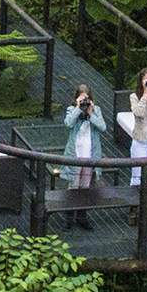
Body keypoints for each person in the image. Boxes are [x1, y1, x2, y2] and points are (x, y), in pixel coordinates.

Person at [61, 85, 106, 230]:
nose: (85, 101)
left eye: (87, 98)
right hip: (75, 154)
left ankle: (82, 216)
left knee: (85, 186)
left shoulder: (96, 110)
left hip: (90, 154)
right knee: (73, 185)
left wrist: (91, 112)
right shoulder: (71, 109)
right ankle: (69, 217)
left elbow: (103, 127)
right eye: (82, 98)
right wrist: (78, 108)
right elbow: (68, 124)